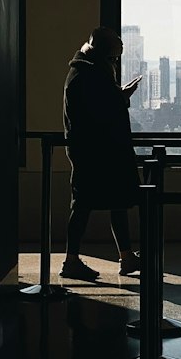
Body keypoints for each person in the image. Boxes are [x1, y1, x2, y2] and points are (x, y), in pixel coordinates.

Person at [61, 26, 143, 280]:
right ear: (104, 53)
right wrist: (122, 96)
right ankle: (74, 260)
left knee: (94, 204)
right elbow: (101, 110)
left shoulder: (83, 71)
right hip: (97, 151)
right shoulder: (90, 73)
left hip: (92, 150)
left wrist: (117, 95)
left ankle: (124, 256)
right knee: (90, 204)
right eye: (113, 57)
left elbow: (95, 105)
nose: (115, 62)